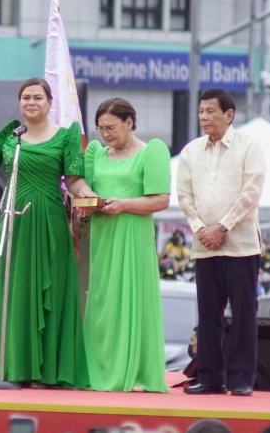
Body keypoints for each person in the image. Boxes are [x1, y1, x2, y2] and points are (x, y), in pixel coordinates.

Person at [0, 77, 95, 388]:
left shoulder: (65, 135)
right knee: (13, 291)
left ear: (49, 103)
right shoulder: (11, 136)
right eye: (26, 98)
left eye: (37, 98)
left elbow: (74, 180)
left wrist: (86, 192)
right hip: (13, 220)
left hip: (49, 220)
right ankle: (13, 369)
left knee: (53, 290)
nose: (31, 103)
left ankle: (49, 373)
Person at [177, 88, 266, 397]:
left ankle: (241, 378)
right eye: (201, 111)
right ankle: (211, 376)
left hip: (240, 244)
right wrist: (201, 228)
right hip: (204, 244)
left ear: (229, 115)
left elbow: (251, 192)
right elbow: (184, 196)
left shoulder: (249, 147)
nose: (204, 117)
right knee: (208, 314)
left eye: (210, 111)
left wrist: (223, 227)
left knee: (243, 313)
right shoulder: (190, 152)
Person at [80, 97, 171, 392]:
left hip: (132, 233)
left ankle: (135, 373)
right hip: (102, 233)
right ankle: (100, 367)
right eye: (101, 129)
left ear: (129, 122)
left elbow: (161, 199)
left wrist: (125, 204)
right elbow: (83, 186)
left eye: (111, 127)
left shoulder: (150, 152)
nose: (106, 134)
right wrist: (89, 199)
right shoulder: (96, 153)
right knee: (102, 301)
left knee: (132, 297)